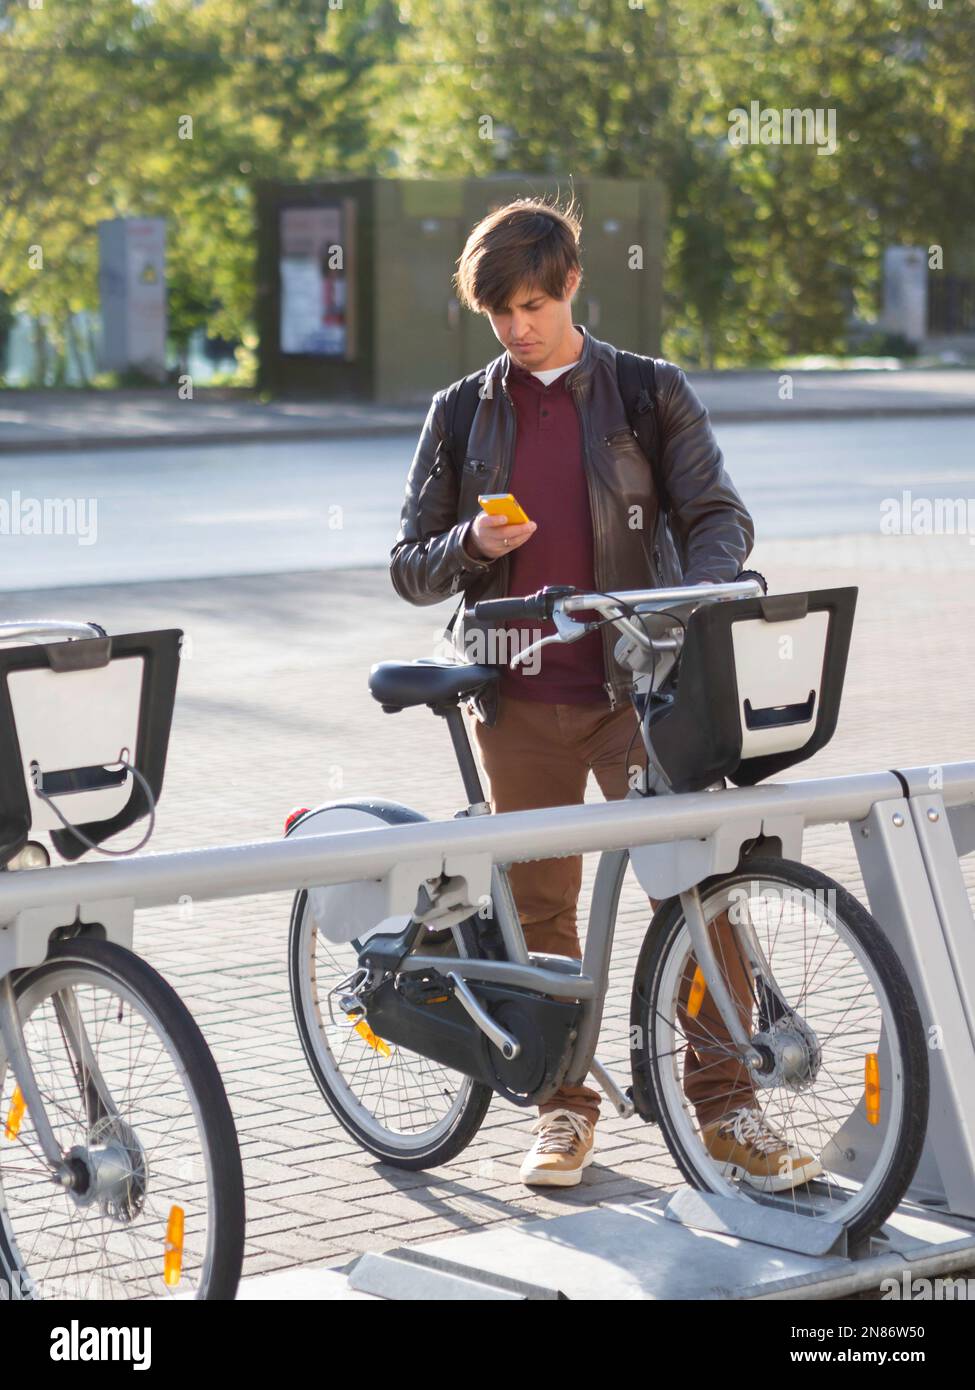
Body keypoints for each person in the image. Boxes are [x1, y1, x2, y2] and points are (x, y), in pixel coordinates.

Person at [390, 196, 822, 1192]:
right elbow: (410, 564)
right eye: (499, 311)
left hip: (644, 688)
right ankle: (561, 1111)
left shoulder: (645, 392)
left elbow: (719, 517)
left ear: (572, 283)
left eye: (534, 302)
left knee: (700, 895)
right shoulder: (462, 412)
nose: (518, 326)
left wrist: (695, 598)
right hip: (521, 697)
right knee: (543, 909)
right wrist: (470, 546)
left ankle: (727, 1108)